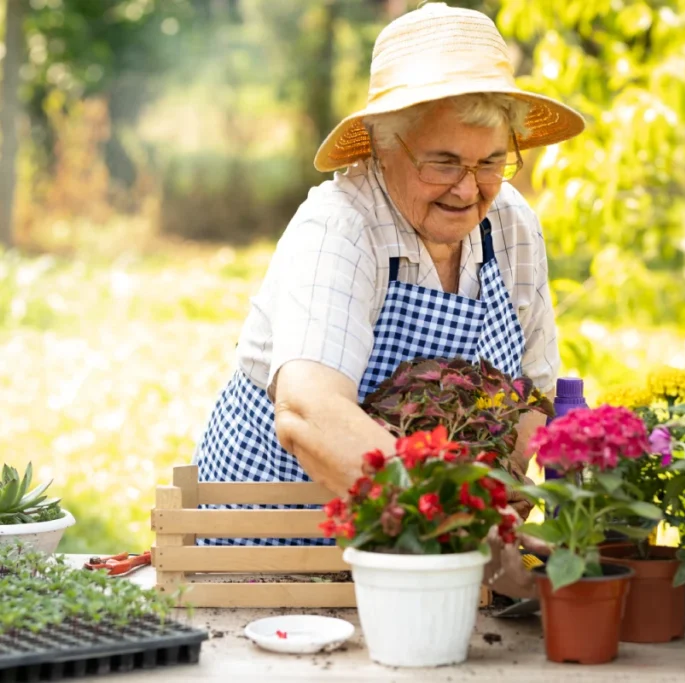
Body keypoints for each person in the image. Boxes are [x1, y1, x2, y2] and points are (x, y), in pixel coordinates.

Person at [191, 3, 583, 597]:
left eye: (491, 161)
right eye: (443, 162)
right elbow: (310, 414)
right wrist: (458, 517)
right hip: (280, 552)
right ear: (381, 146)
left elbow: (532, 390)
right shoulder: (340, 225)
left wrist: (495, 516)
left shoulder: (510, 225)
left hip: (437, 553)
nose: (468, 187)